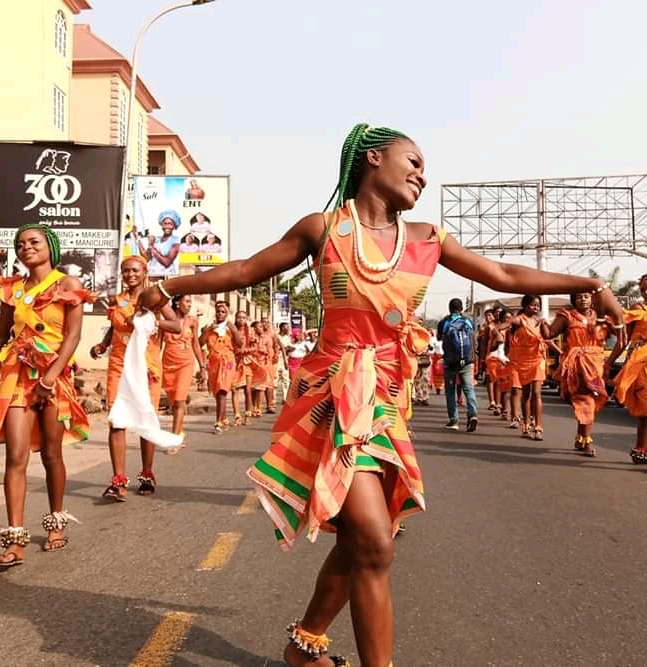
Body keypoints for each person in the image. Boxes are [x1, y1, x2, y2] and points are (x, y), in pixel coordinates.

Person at [138, 123, 624, 667]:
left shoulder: (427, 240)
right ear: (372, 158)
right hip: (328, 398)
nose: (422, 173)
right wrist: (169, 286)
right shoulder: (323, 229)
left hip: (385, 404)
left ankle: (305, 646)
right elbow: (247, 269)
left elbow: (503, 273)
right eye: (412, 160)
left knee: (363, 541)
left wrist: (585, 284)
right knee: (372, 538)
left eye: (424, 167)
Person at [0, 224, 93, 568]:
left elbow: (72, 338)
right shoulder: (13, 289)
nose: (27, 247)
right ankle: (14, 539)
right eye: (21, 244)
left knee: (52, 455)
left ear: (50, 247)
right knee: (15, 455)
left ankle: (56, 520)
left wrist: (51, 378)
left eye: (34, 242)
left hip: (53, 377)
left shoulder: (69, 286)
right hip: (17, 374)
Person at [90, 256, 180, 500]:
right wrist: (103, 344)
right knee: (116, 419)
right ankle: (118, 480)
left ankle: (147, 474)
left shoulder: (154, 298)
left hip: (146, 365)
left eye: (134, 270)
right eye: (125, 271)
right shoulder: (117, 300)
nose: (130, 275)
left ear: (144, 272)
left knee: (144, 419)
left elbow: (176, 326)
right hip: (119, 364)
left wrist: (151, 320)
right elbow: (114, 326)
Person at [548, 292, 612, 457]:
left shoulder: (601, 316)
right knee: (583, 401)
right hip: (576, 366)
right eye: (578, 297)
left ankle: (583, 438)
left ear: (592, 299)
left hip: (596, 364)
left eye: (586, 296)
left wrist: (610, 361)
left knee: (589, 400)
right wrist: (542, 324)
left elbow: (618, 334)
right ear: (573, 300)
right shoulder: (567, 316)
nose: (582, 299)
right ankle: (584, 438)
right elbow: (549, 334)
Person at [606, 273, 647, 463]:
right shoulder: (638, 309)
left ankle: (641, 449)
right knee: (645, 411)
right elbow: (623, 339)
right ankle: (642, 449)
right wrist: (609, 362)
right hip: (641, 364)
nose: (646, 291)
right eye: (644, 288)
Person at [507, 295, 553, 440]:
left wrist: (562, 352)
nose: (536, 308)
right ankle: (526, 424)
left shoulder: (540, 322)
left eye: (537, 305)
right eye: (533, 305)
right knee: (526, 394)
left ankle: (538, 427)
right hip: (522, 361)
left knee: (537, 393)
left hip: (538, 359)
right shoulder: (521, 319)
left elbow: (548, 338)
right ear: (525, 306)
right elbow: (511, 321)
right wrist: (501, 325)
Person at [162, 294, 206, 444]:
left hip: (186, 364)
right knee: (173, 402)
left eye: (190, 302)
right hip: (168, 364)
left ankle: (174, 439)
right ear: (176, 303)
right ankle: (179, 431)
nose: (189, 305)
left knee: (180, 400)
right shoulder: (166, 321)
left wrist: (202, 366)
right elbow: (159, 343)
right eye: (186, 301)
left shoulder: (193, 321)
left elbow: (196, 345)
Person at [199, 301, 242, 434]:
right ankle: (223, 419)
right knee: (217, 392)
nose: (220, 314)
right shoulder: (209, 327)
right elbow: (200, 343)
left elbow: (239, 344)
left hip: (228, 361)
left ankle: (217, 422)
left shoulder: (231, 328)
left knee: (223, 390)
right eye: (218, 311)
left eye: (223, 312)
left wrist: (234, 330)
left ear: (227, 313)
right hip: (213, 362)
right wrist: (206, 331)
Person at [437, 298, 479, 432]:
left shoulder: (445, 322)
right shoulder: (468, 322)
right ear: (461, 308)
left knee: (450, 391)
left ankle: (453, 420)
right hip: (466, 361)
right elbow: (473, 340)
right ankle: (472, 414)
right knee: (469, 389)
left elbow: (439, 337)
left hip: (450, 362)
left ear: (450, 308)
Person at [147, 210, 181, 279]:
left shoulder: (176, 241)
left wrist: (153, 248)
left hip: (168, 276)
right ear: (161, 224)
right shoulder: (156, 239)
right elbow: (148, 258)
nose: (167, 226)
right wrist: (149, 244)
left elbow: (166, 263)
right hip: (153, 274)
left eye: (170, 224)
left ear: (174, 226)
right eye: (165, 223)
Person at [276, 322, 291, 400]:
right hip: (277, 360)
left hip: (285, 359)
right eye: (286, 327)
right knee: (275, 379)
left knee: (286, 380)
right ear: (282, 328)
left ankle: (285, 398)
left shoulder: (287, 338)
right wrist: (283, 348)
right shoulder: (276, 337)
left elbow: (288, 347)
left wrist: (287, 348)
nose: (288, 329)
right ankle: (273, 399)